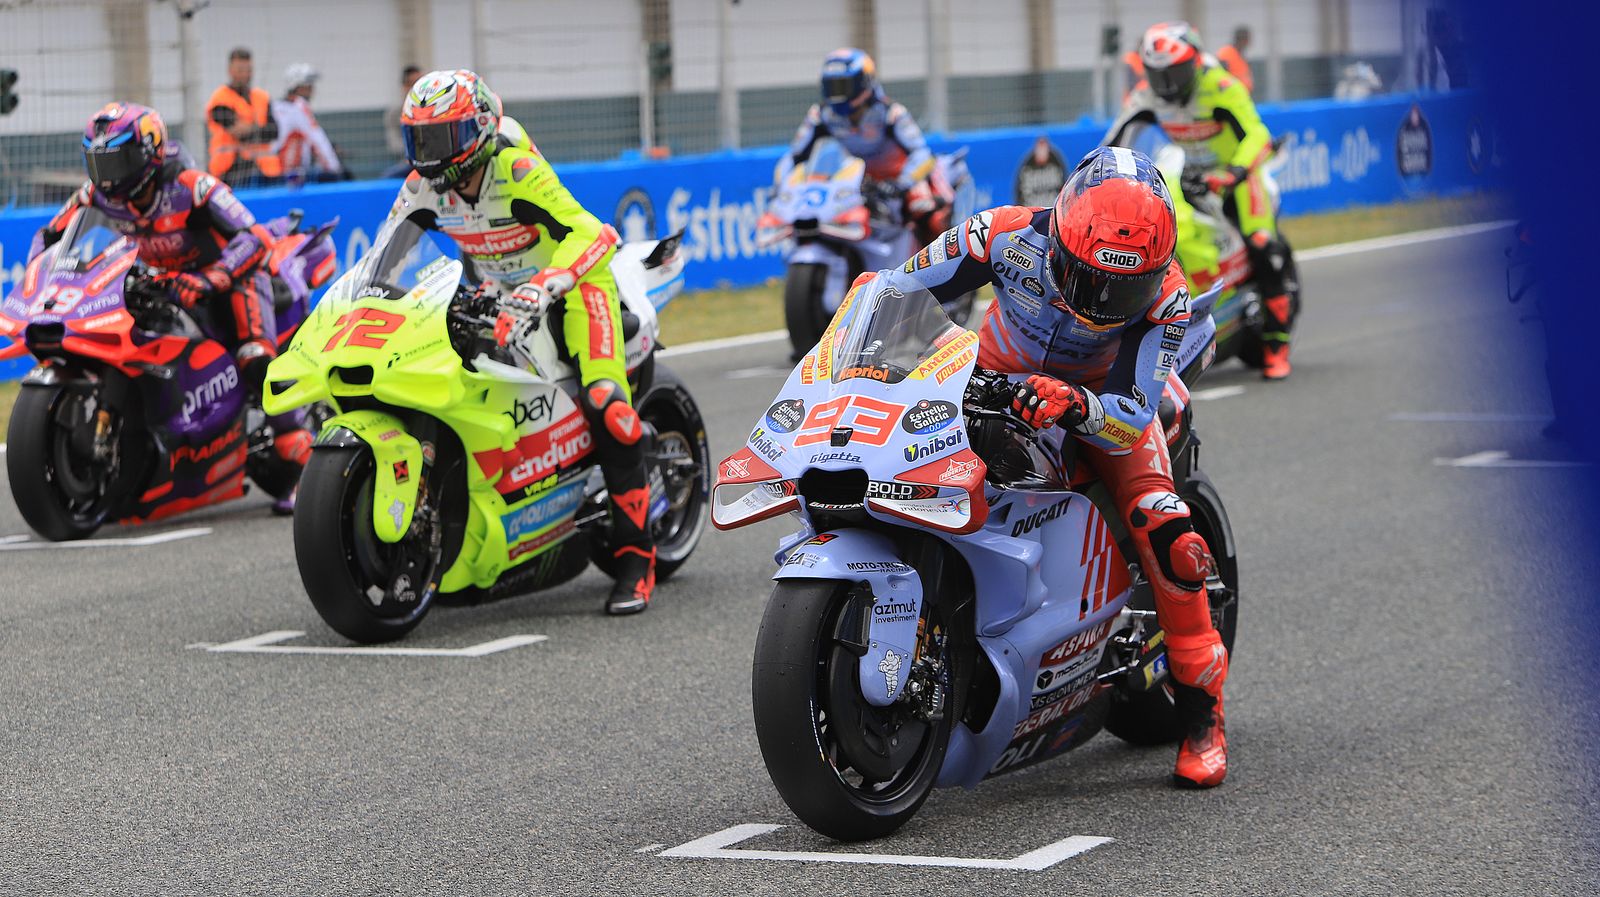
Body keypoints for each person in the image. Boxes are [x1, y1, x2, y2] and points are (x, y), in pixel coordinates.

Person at [886, 146, 1231, 788]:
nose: (1105, 298)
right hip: (988, 383)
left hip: (1103, 405)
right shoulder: (1000, 234)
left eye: (1125, 285)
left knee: (1168, 532)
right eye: (1092, 277)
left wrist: (1074, 404)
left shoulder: (1167, 297)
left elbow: (1131, 414)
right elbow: (898, 290)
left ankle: (1203, 718)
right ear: (1062, 237)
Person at [389, 69, 654, 615]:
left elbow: (592, 232)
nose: (429, 154)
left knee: (608, 407)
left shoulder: (515, 168)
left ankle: (637, 558)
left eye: (440, 139)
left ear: (477, 131)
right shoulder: (421, 187)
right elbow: (384, 256)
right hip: (491, 292)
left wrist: (545, 285)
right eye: (420, 139)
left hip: (573, 288)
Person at [30, 102, 310, 513]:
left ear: (148, 153)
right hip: (161, 284)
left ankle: (303, 464)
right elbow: (49, 236)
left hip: (231, 280)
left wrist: (209, 279)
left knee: (255, 360)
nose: (108, 176)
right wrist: (45, 276)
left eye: (117, 161)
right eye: (98, 162)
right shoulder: (94, 195)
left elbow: (253, 236)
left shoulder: (192, 185)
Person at [1112, 21, 1294, 379]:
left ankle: (1277, 347)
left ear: (1194, 63)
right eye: (1157, 75)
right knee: (1155, 233)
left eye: (1174, 74)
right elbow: (1115, 141)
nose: (1166, 86)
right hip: (1188, 176)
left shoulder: (1221, 86)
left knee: (1264, 246)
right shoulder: (1146, 95)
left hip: (1236, 179)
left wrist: (1235, 173)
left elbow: (1257, 133)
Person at [774, 48, 952, 246]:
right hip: (853, 183)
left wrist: (902, 183)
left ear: (863, 83)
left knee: (925, 208)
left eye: (843, 86)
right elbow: (794, 156)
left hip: (895, 181)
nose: (836, 95)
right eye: (831, 87)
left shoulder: (891, 113)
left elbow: (922, 153)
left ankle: (939, 263)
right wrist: (782, 186)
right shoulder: (821, 115)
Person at [205, 47, 282, 188]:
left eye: (248, 69)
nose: (245, 74)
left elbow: (275, 131)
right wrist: (259, 130)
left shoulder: (262, 97)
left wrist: (249, 129)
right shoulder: (220, 98)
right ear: (230, 70)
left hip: (265, 172)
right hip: (229, 172)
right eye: (240, 69)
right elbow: (238, 133)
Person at [271, 63, 344, 185]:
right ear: (296, 86)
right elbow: (318, 140)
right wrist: (335, 169)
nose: (312, 90)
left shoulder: (275, 106)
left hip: (272, 173)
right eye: (308, 86)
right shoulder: (298, 106)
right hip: (292, 175)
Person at [382, 65, 424, 179]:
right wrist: (413, 153)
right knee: (389, 177)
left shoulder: (432, 109)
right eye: (414, 83)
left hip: (434, 159)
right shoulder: (395, 113)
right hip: (408, 162)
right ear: (405, 86)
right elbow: (394, 142)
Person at [1216, 26, 1254, 94]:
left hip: (1241, 97)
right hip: (1231, 98)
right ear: (1243, 40)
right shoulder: (1226, 53)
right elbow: (1220, 76)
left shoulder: (1240, 54)